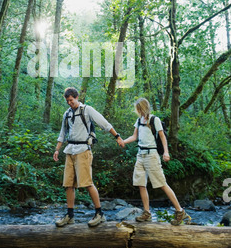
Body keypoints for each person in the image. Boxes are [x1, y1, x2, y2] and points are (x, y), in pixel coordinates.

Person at [53, 87, 124, 227]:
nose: (69, 103)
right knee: (68, 184)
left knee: (87, 183)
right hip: (70, 150)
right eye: (67, 101)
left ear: (77, 97)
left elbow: (104, 123)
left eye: (71, 100)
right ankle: (70, 215)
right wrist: (57, 150)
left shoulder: (87, 110)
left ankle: (100, 213)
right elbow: (62, 133)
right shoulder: (67, 114)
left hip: (83, 150)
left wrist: (117, 137)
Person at [120, 98, 191, 226]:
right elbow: (134, 137)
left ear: (144, 107)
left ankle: (180, 211)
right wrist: (123, 141)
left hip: (151, 155)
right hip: (140, 155)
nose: (139, 111)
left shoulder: (154, 120)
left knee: (162, 183)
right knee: (141, 184)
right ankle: (147, 213)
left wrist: (166, 152)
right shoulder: (138, 121)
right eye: (138, 109)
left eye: (140, 109)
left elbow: (162, 136)